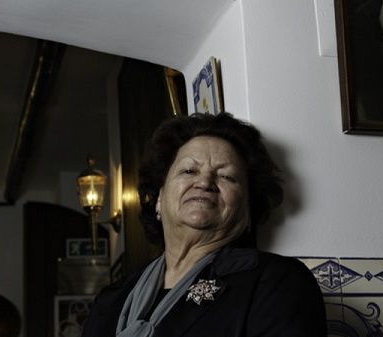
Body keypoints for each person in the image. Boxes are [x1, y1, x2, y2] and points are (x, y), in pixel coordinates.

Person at [81, 112, 327, 337]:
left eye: (226, 176)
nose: (205, 182)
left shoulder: (276, 282)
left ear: (248, 207)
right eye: (188, 171)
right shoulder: (110, 300)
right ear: (158, 196)